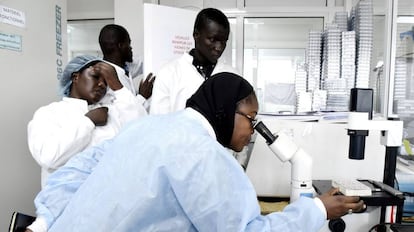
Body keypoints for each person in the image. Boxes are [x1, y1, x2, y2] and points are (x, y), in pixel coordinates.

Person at [28, 72, 365, 232]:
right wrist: (318, 210)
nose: (251, 132)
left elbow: (74, 173)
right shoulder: (203, 154)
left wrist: (43, 223)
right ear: (223, 111)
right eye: (250, 119)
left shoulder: (149, 126)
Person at [149, 8, 238, 115]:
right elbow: (158, 123)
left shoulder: (232, 76)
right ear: (196, 34)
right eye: (213, 40)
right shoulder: (169, 74)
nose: (219, 48)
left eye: (223, 41)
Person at [98, 24, 155, 109]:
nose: (131, 48)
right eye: (129, 43)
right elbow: (121, 114)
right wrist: (142, 96)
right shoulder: (103, 79)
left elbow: (144, 61)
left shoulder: (124, 67)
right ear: (120, 46)